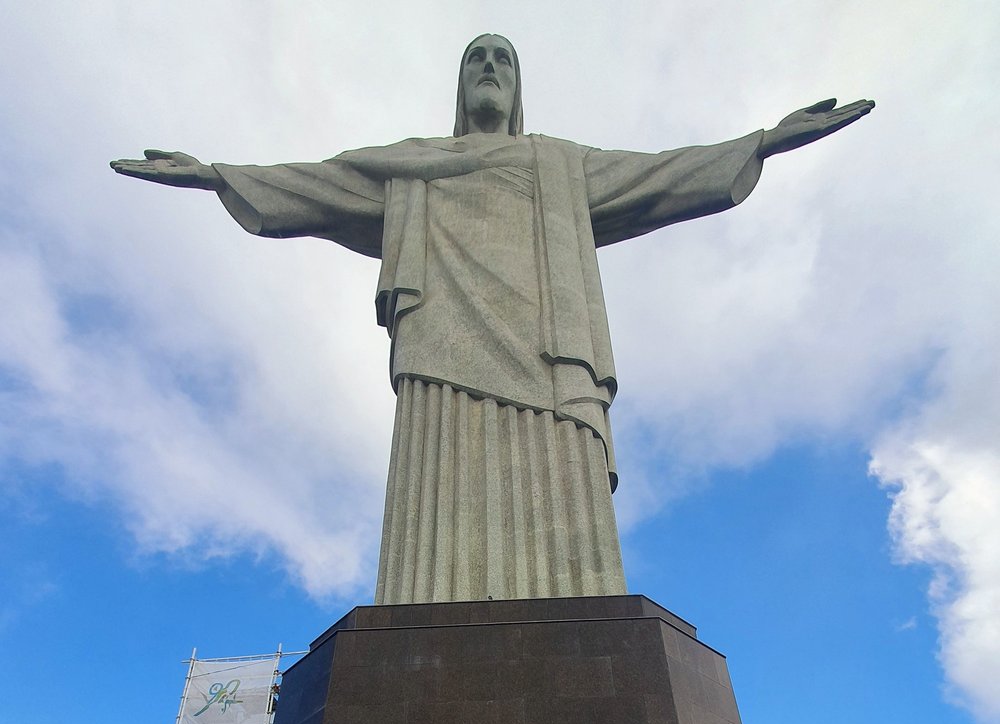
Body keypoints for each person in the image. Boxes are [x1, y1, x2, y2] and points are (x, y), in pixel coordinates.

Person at [111, 37, 873, 607]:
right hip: (440, 358)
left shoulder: (559, 165)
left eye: (502, 61)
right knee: (432, 522)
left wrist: (766, 141)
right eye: (477, 58)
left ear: (517, 89)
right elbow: (316, 184)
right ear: (458, 84)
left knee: (569, 537)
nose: (488, 68)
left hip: (550, 358)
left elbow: (662, 173)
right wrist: (216, 174)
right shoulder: (409, 164)